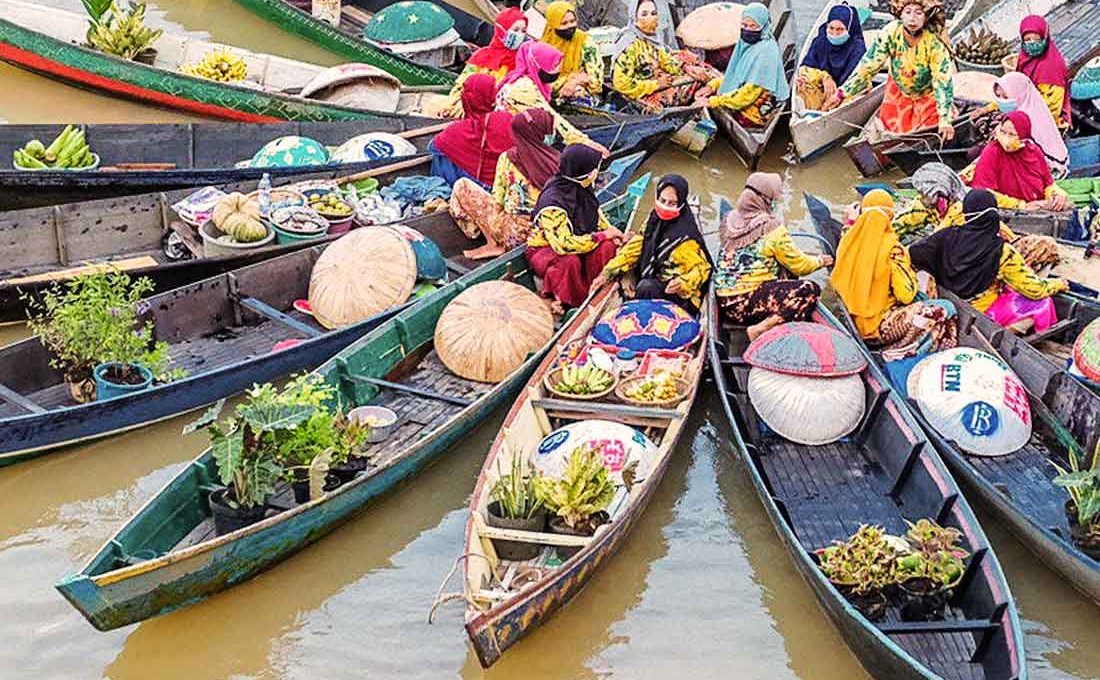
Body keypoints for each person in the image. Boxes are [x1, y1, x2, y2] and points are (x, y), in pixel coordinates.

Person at [909, 189, 1068, 333]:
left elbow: (913, 252)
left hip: (950, 306)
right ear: (994, 215)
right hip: (982, 315)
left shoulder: (945, 235)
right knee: (1043, 302)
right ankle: (1014, 333)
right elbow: (1035, 289)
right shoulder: (1002, 251)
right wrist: (1059, 284)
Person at [832, 189, 957, 358]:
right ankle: (903, 350)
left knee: (926, 284)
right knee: (944, 308)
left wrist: (850, 221)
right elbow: (906, 296)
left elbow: (848, 229)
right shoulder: (893, 249)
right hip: (879, 329)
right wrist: (909, 273)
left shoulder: (847, 240)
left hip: (856, 319)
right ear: (890, 217)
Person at [713, 173, 832, 340]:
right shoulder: (772, 228)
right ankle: (761, 329)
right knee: (809, 290)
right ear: (766, 199)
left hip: (725, 302)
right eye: (775, 197)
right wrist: (820, 261)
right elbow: (800, 265)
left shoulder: (730, 221)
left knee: (783, 272)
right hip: (746, 306)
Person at [893, 161, 1062, 272]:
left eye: (926, 194)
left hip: (972, 258)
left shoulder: (967, 204)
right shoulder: (923, 206)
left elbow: (999, 228)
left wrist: (1024, 206)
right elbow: (901, 224)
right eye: (922, 194)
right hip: (960, 260)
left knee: (1042, 247)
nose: (923, 198)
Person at [825, 0, 955, 141]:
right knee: (888, 134)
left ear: (926, 17)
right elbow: (868, 66)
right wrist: (841, 93)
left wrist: (945, 119)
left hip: (928, 97)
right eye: (908, 12)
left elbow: (942, 80)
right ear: (900, 14)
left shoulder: (934, 42)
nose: (912, 18)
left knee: (928, 135)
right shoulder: (891, 32)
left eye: (918, 13)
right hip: (898, 94)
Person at [592, 174, 713, 313]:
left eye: (672, 203)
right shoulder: (653, 220)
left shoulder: (686, 239)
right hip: (654, 277)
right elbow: (635, 247)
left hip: (679, 295)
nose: (665, 206)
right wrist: (606, 272)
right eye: (663, 200)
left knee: (646, 287)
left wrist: (682, 283)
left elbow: (702, 269)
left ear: (681, 204)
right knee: (624, 258)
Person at [450, 109, 559, 260]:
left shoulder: (509, 158)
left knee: (462, 186)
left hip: (514, 236)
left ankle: (492, 243)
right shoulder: (559, 160)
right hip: (550, 232)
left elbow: (498, 200)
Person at [526, 145, 625, 313]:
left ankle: (598, 287)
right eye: (595, 169)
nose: (597, 172)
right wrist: (601, 236)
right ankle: (574, 303)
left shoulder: (582, 188)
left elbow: (600, 220)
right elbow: (563, 245)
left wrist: (616, 235)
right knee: (570, 261)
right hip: (546, 249)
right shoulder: (553, 202)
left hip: (580, 242)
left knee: (609, 246)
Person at [495, 41, 607, 155]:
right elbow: (555, 121)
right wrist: (586, 142)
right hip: (510, 141)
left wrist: (573, 82)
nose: (558, 70)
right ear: (538, 66)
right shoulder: (523, 88)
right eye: (553, 66)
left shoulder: (530, 79)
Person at [611, 0, 720, 112]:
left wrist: (685, 67)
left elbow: (665, 61)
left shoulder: (651, 39)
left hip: (659, 82)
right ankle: (699, 103)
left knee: (701, 72)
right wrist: (656, 85)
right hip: (641, 92)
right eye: (644, 14)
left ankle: (709, 95)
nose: (651, 18)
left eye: (654, 13)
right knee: (697, 81)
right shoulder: (629, 44)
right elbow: (621, 85)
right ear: (634, 18)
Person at [706, 2, 791, 128]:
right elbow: (736, 76)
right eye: (744, 25)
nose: (747, 30)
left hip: (756, 113)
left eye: (753, 26)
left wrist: (713, 101)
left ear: (763, 27)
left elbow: (748, 94)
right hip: (745, 97)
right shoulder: (746, 45)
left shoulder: (766, 52)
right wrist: (712, 85)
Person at [968, 111, 1069, 210]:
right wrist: (1020, 205)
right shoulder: (992, 151)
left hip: (1039, 206)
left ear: (1023, 136)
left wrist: (1056, 194)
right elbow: (984, 193)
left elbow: (1048, 184)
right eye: (1003, 132)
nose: (1006, 138)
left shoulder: (1034, 151)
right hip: (1008, 211)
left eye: (1012, 134)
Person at [439, 8, 528, 118]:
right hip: (471, 112)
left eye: (523, 31)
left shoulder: (523, 61)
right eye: (515, 30)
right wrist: (454, 105)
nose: (519, 35)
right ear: (501, 29)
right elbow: (462, 84)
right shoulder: (482, 56)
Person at [430, 73, 514, 187]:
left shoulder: (456, 131)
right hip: (504, 187)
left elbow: (434, 146)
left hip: (476, 186)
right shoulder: (507, 119)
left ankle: (447, 187)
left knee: (440, 152)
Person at [992, 71, 1068, 175]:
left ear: (1019, 94)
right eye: (998, 96)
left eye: (1005, 97)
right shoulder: (1022, 107)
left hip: (1048, 168)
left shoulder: (1031, 117)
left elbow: (1028, 153)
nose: (1001, 101)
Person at [795, 3, 866, 111]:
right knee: (804, 81)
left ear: (849, 29)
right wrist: (824, 77)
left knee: (862, 88)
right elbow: (806, 66)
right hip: (823, 85)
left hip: (846, 89)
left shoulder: (857, 47)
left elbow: (855, 77)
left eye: (840, 29)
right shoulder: (821, 40)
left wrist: (838, 95)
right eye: (831, 28)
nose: (834, 33)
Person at [540, 1, 605, 108]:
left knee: (578, 93)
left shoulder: (585, 41)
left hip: (580, 90)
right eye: (564, 23)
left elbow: (596, 78)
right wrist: (571, 79)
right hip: (551, 94)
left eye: (572, 21)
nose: (570, 26)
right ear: (553, 24)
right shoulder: (543, 45)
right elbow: (541, 79)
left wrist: (575, 82)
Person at [1015, 15, 1070, 130]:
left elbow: (1052, 109)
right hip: (1026, 108)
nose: (1032, 43)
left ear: (1045, 38)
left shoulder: (1052, 67)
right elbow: (1015, 88)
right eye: (1027, 40)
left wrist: (1021, 119)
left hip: (1047, 120)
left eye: (1037, 39)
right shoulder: (1024, 59)